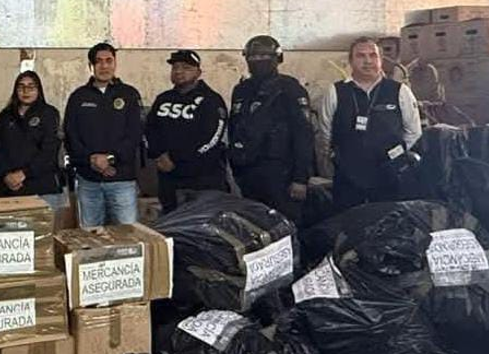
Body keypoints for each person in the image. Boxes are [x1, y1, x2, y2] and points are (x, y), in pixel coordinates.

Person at [316, 36, 421, 212]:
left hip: (390, 175)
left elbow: (413, 132)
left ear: (381, 60)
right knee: (348, 222)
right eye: (361, 56)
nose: (368, 61)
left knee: (388, 220)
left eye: (373, 55)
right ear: (350, 61)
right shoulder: (335, 91)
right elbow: (325, 133)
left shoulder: (399, 91)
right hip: (348, 177)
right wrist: (335, 161)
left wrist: (395, 157)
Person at [228, 36, 316, 221]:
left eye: (264, 56)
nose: (258, 61)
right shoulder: (241, 90)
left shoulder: (290, 89)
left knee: (285, 225)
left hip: (282, 173)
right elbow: (234, 127)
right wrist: (236, 166)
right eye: (253, 57)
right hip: (248, 172)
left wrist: (300, 178)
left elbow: (303, 135)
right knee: (254, 225)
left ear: (277, 58)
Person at [64, 43, 143, 227]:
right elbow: (71, 135)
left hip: (121, 180)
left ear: (115, 63)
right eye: (98, 61)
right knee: (90, 236)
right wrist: (91, 160)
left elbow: (135, 134)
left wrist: (110, 159)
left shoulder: (129, 94)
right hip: (88, 181)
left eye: (109, 61)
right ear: (91, 66)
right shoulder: (78, 97)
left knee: (128, 234)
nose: (104, 66)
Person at [144, 49, 228, 213]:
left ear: (198, 72)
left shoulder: (211, 100)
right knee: (171, 223)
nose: (179, 71)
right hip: (169, 181)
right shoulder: (163, 99)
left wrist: (176, 159)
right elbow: (149, 129)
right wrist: (158, 154)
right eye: (175, 67)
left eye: (186, 67)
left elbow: (212, 138)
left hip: (202, 181)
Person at [0, 71, 65, 207]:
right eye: (21, 87)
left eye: (31, 87)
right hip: (11, 188)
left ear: (39, 90)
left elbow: (49, 150)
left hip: (43, 188)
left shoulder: (49, 113)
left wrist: (24, 173)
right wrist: (5, 175)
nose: (26, 91)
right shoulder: (5, 116)